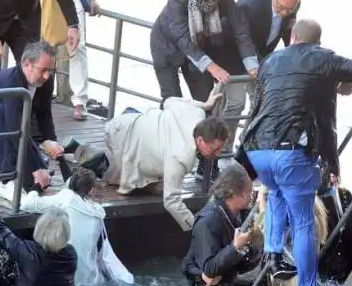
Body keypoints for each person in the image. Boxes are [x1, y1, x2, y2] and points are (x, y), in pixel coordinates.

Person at [238, 19, 352, 286]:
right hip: (289, 152)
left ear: (292, 37)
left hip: (257, 149)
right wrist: (344, 79)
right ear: (317, 41)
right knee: (302, 222)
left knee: (275, 195)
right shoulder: (323, 58)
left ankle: (273, 256)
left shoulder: (270, 60)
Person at [65, 92, 229, 231]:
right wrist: (196, 229)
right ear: (200, 141)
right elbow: (171, 201)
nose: (219, 153)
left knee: (153, 183)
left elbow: (169, 101)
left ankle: (89, 153)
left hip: (134, 120)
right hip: (122, 136)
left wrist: (205, 105)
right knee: (119, 179)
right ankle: (82, 153)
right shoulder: (180, 158)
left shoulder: (195, 112)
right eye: (215, 149)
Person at [213, 0, 301, 168]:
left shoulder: (291, 5)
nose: (284, 13)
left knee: (262, 102)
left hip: (261, 54)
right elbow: (244, 40)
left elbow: (289, 33)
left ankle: (247, 147)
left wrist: (294, 58)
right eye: (280, 8)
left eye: (289, 9)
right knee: (236, 103)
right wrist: (261, 66)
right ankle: (223, 153)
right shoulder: (250, 5)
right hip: (232, 53)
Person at [0, 41, 63, 201]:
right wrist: (35, 168)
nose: (47, 76)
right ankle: (7, 182)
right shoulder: (10, 83)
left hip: (2, 128)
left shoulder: (45, 80)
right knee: (2, 116)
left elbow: (44, 112)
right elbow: (16, 130)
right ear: (27, 64)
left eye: (50, 70)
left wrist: (50, 140)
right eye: (43, 70)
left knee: (38, 171)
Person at [149, 0, 258, 104]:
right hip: (166, 47)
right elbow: (182, 38)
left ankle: (204, 126)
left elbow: (240, 27)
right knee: (173, 102)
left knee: (207, 101)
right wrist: (212, 67)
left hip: (198, 47)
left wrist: (251, 64)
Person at [0, 171, 77, 286]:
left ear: (39, 229)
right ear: (66, 234)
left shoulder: (27, 252)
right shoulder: (71, 255)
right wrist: (37, 187)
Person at [21, 167, 134, 286]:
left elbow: (27, 204)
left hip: (67, 284)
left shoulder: (66, 198)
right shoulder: (98, 214)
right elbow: (104, 256)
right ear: (91, 191)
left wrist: (37, 186)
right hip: (93, 284)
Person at [182, 163, 265, 286]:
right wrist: (235, 247)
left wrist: (255, 243)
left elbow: (243, 265)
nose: (252, 198)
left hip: (228, 279)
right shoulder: (208, 222)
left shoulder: (240, 214)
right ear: (233, 193)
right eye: (249, 193)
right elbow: (209, 269)